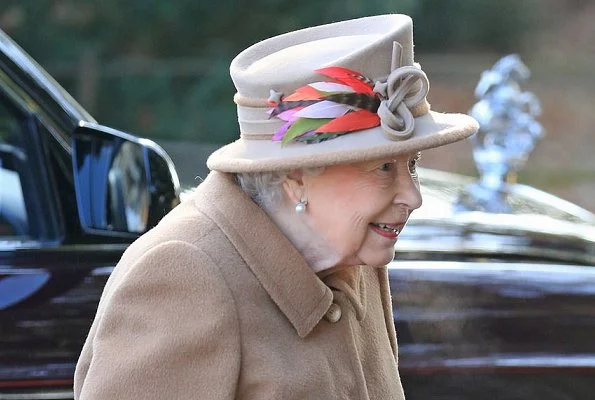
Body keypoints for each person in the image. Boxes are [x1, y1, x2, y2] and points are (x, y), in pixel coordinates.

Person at [74, 14, 478, 399]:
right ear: (297, 175)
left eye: (412, 164)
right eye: (383, 167)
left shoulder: (355, 255)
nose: (413, 195)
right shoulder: (183, 277)